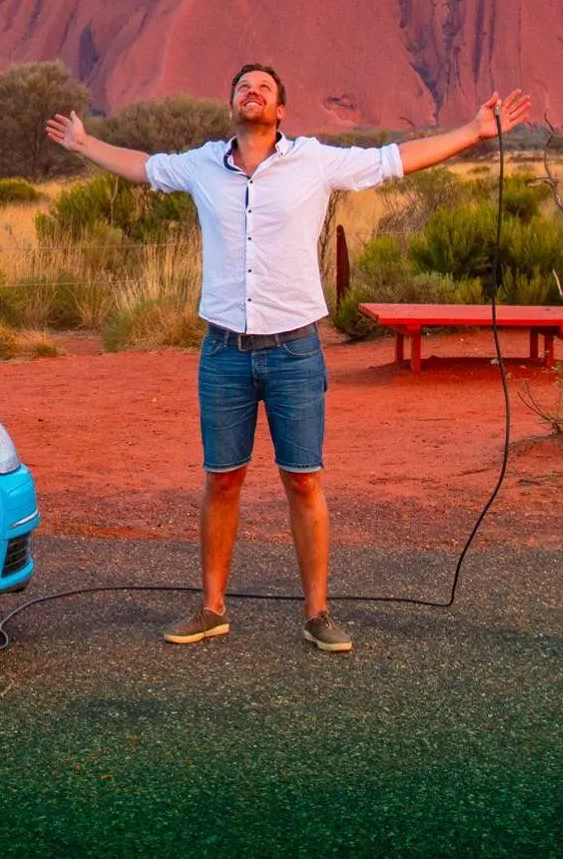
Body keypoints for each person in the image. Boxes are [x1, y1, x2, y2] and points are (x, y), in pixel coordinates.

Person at [46, 64, 531, 652]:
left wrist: (473, 132)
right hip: (223, 350)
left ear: (280, 111)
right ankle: (211, 608)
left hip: (294, 351)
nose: (251, 92)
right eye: (242, 86)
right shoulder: (203, 165)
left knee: (303, 480)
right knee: (222, 479)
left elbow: (395, 159)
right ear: (231, 104)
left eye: (264, 88)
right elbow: (143, 167)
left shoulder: (315, 161)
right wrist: (84, 143)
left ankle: (318, 613)